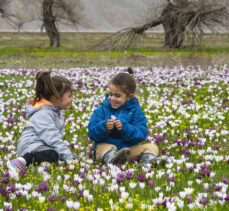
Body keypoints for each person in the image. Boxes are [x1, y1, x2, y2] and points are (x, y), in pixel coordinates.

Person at [88, 68, 161, 165]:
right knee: (101, 147)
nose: (112, 98)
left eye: (117, 96)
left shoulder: (135, 111)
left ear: (129, 97)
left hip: (128, 150)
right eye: (110, 94)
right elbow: (91, 133)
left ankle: (148, 161)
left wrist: (125, 128)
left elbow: (141, 134)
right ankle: (112, 159)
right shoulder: (102, 109)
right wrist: (104, 127)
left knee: (152, 147)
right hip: (107, 148)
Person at [7, 70, 77, 172]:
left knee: (56, 155)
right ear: (56, 98)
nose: (72, 99)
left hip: (41, 145)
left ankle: (32, 161)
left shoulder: (55, 111)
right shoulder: (43, 114)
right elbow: (52, 138)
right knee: (53, 155)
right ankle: (21, 161)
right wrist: (68, 157)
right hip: (30, 145)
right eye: (69, 96)